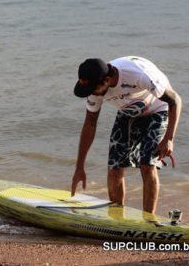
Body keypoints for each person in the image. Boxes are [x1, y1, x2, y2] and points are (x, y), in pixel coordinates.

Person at [71, 56, 182, 214]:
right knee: (115, 165)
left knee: (147, 164)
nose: (92, 94)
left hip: (158, 109)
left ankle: (148, 219)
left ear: (107, 80)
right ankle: (117, 218)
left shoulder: (139, 75)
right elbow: (89, 124)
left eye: (93, 90)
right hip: (129, 111)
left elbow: (175, 100)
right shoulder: (95, 86)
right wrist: (79, 167)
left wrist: (169, 139)